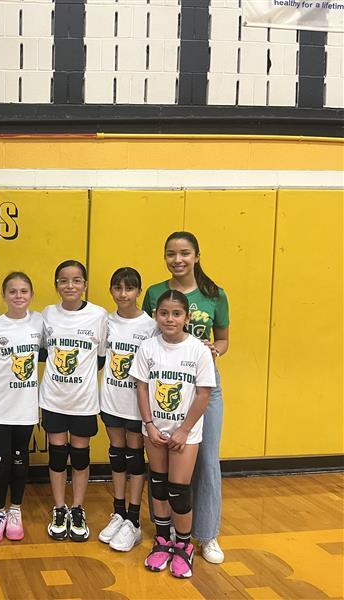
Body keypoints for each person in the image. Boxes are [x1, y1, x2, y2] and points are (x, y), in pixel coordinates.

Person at [142, 231, 230, 565]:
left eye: (184, 253)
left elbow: (223, 341)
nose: (177, 260)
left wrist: (213, 350)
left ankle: (206, 535)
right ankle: (164, 533)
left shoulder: (215, 294)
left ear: (196, 255)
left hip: (204, 385)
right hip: (165, 381)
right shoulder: (154, 293)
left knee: (206, 460)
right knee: (162, 459)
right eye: (170, 254)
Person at [130, 289, 216, 578]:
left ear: (187, 317)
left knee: (178, 491)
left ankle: (183, 545)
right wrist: (149, 424)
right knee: (158, 486)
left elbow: (204, 394)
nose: (170, 318)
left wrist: (183, 430)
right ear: (156, 315)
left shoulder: (199, 351)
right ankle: (162, 540)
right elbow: (141, 387)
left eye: (176, 313)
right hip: (154, 430)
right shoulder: (148, 348)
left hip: (185, 435)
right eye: (164, 313)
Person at [40, 260, 108, 542]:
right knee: (57, 456)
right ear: (56, 285)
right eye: (64, 281)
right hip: (54, 398)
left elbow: (101, 358)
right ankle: (59, 508)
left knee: (80, 456)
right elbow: (43, 352)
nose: (70, 286)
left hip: (83, 402)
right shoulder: (47, 314)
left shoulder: (99, 315)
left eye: (76, 280)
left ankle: (78, 508)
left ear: (85, 284)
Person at [97, 267, 157, 551]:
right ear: (111, 291)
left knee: (135, 459)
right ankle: (119, 512)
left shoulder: (150, 325)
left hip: (136, 405)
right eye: (118, 288)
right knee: (117, 458)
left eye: (129, 288)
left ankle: (133, 520)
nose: (123, 294)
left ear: (138, 291)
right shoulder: (105, 321)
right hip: (110, 400)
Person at [0, 272, 43, 543]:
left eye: (24, 291)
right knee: (0, 459)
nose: (18, 296)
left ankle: (16, 509)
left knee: (20, 459)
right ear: (3, 295)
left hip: (26, 406)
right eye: (13, 292)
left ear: (31, 294)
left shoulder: (40, 322)